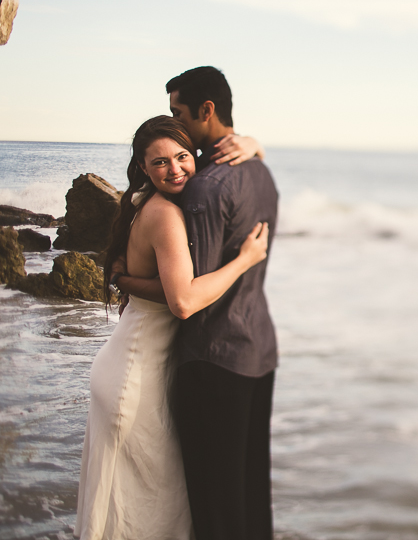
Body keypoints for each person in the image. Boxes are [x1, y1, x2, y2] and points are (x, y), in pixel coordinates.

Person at [74, 115, 268, 540]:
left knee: (140, 504)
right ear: (142, 167)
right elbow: (182, 300)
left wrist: (253, 145)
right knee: (142, 510)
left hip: (137, 365)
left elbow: (166, 286)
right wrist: (246, 261)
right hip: (135, 375)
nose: (175, 169)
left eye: (182, 157)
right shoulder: (164, 213)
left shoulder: (155, 202)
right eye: (159, 163)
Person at [115, 66, 279, 539]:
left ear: (206, 111)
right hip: (257, 351)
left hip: (213, 360)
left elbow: (185, 298)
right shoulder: (259, 172)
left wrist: (125, 280)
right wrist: (255, 143)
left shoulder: (203, 189)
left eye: (178, 114)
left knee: (213, 506)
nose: (176, 125)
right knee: (250, 499)